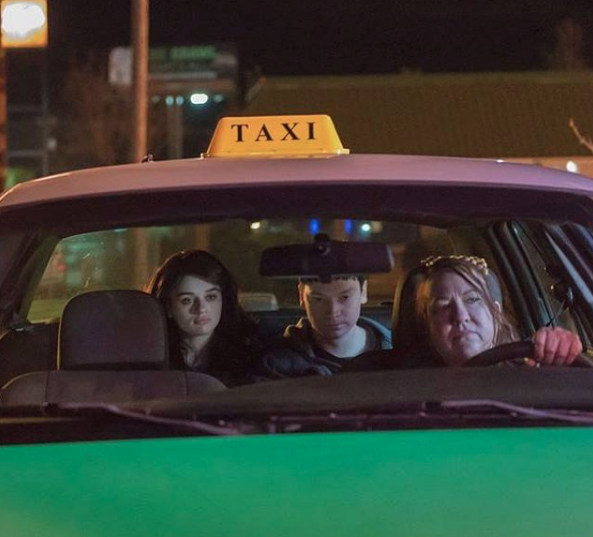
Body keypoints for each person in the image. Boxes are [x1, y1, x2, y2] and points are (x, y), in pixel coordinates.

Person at [347, 255, 582, 371]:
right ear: (427, 326)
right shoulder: (394, 387)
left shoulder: (532, 370)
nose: (460, 316)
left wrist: (561, 351)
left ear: (496, 312)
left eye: (472, 300)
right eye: (442, 306)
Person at [145, 250, 261, 386]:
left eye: (210, 297)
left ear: (223, 300)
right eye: (187, 300)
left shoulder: (253, 355)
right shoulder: (148, 359)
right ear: (168, 307)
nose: (201, 309)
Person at [258, 275, 392, 378]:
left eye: (345, 297)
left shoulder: (396, 351)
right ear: (302, 296)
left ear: (363, 292)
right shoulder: (276, 364)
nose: (333, 311)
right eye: (318, 299)